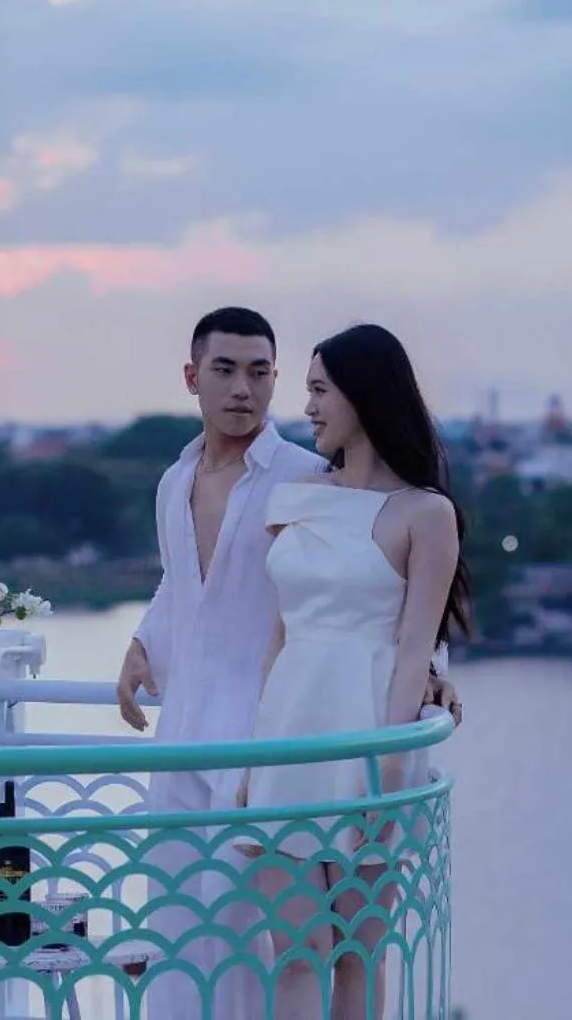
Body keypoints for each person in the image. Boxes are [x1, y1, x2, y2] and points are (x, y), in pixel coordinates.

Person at [115, 308, 459, 1019]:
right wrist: (143, 642)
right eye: (226, 370)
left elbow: (406, 614)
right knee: (196, 937)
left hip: (326, 731)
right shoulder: (186, 483)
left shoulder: (311, 478)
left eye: (264, 373)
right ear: (193, 377)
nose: (252, 389)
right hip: (232, 739)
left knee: (325, 951)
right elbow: (186, 587)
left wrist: (428, 682)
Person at [231, 324, 472, 1020]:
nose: (306, 406)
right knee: (296, 949)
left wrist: (388, 775)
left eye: (318, 389)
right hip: (288, 733)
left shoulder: (426, 514)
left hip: (370, 739)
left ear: (363, 395)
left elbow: (412, 648)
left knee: (359, 956)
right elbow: (278, 637)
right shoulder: (297, 496)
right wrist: (253, 756)